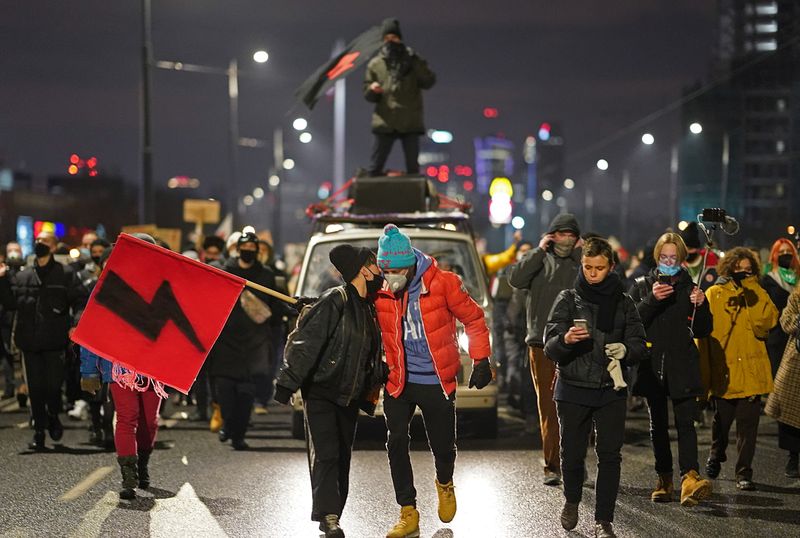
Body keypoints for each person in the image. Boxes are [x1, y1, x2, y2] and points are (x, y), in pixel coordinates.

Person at [373, 224, 492, 538]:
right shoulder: (380, 288)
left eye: (397, 269)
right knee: (395, 441)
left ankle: (444, 482)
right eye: (387, 269)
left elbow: (474, 318)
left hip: (436, 380)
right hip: (398, 379)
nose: (392, 275)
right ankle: (408, 512)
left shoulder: (443, 283)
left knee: (442, 446)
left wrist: (481, 359)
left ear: (411, 262)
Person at [275, 244, 385, 538]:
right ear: (363, 269)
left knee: (342, 456)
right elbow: (306, 343)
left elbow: (372, 354)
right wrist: (287, 383)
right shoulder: (335, 299)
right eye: (374, 264)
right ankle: (329, 517)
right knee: (327, 454)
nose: (379, 270)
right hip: (322, 390)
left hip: (349, 395)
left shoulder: (369, 307)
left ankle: (334, 512)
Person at [543, 236, 646, 538]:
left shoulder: (624, 302)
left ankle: (604, 520)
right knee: (572, 454)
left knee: (610, 456)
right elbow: (549, 346)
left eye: (599, 268)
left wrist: (626, 351)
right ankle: (572, 499)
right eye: (587, 267)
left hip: (610, 389)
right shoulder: (567, 298)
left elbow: (640, 343)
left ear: (610, 267)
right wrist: (565, 340)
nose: (592, 273)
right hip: (573, 387)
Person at [628, 233, 714, 506]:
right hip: (652, 365)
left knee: (686, 423)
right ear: (657, 257)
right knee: (658, 426)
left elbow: (703, 329)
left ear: (681, 259)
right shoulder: (642, 286)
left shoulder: (691, 288)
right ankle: (663, 478)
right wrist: (651, 300)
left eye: (673, 258)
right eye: (664, 257)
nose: (668, 262)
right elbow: (631, 323)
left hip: (683, 364)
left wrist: (701, 306)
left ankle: (690, 478)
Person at [79, 237, 165, 499]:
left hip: (154, 367)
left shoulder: (163, 285)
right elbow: (91, 332)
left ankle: (142, 465)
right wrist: (89, 371)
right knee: (127, 418)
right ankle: (128, 476)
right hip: (120, 368)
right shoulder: (107, 287)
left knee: (149, 422)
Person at [508, 213, 582, 485]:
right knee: (549, 406)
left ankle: (574, 462)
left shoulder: (580, 262)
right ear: (551, 236)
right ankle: (552, 464)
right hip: (541, 343)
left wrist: (580, 254)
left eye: (570, 234)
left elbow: (599, 281)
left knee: (576, 404)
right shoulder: (539, 261)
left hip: (577, 342)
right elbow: (515, 278)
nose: (566, 239)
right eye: (560, 234)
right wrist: (538, 251)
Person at [699, 247, 778, 490]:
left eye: (748, 269)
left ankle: (744, 472)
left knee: (748, 427)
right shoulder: (714, 293)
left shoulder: (757, 293)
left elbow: (767, 321)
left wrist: (752, 288)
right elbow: (703, 335)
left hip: (752, 372)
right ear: (728, 267)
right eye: (738, 268)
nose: (743, 273)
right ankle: (716, 452)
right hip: (725, 371)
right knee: (721, 423)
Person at [0, 230, 86, 450]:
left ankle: (53, 414)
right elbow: (10, 303)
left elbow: (79, 300)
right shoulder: (23, 276)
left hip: (55, 341)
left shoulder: (65, 274)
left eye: (44, 241)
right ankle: (39, 430)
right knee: (35, 389)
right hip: (29, 342)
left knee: (53, 386)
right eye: (37, 240)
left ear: (54, 247)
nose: (40, 244)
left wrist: (75, 324)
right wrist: (1, 281)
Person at [207, 232, 279, 450]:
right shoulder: (225, 272)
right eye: (244, 246)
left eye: (252, 246)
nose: (248, 250)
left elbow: (275, 306)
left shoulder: (266, 275)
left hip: (253, 346)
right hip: (226, 345)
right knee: (226, 394)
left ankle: (238, 435)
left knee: (246, 396)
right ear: (238, 249)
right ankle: (228, 424)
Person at [364, 18, 436, 176]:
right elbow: (367, 94)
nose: (390, 41)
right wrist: (371, 89)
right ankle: (372, 198)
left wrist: (415, 62)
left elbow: (428, 81)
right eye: (387, 38)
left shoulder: (413, 60)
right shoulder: (375, 64)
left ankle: (413, 198)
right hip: (385, 120)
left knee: (413, 169)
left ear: (400, 38)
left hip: (410, 121)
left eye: (394, 37)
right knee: (375, 167)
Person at [765, 285, 800, 479]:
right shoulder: (797, 296)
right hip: (796, 360)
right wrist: (799, 319)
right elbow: (785, 321)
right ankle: (793, 457)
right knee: (789, 409)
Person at [760, 238, 800, 376]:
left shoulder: (798, 278)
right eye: (781, 251)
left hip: (796, 337)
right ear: (774, 255)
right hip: (777, 337)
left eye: (789, 251)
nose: (785, 254)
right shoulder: (767, 279)